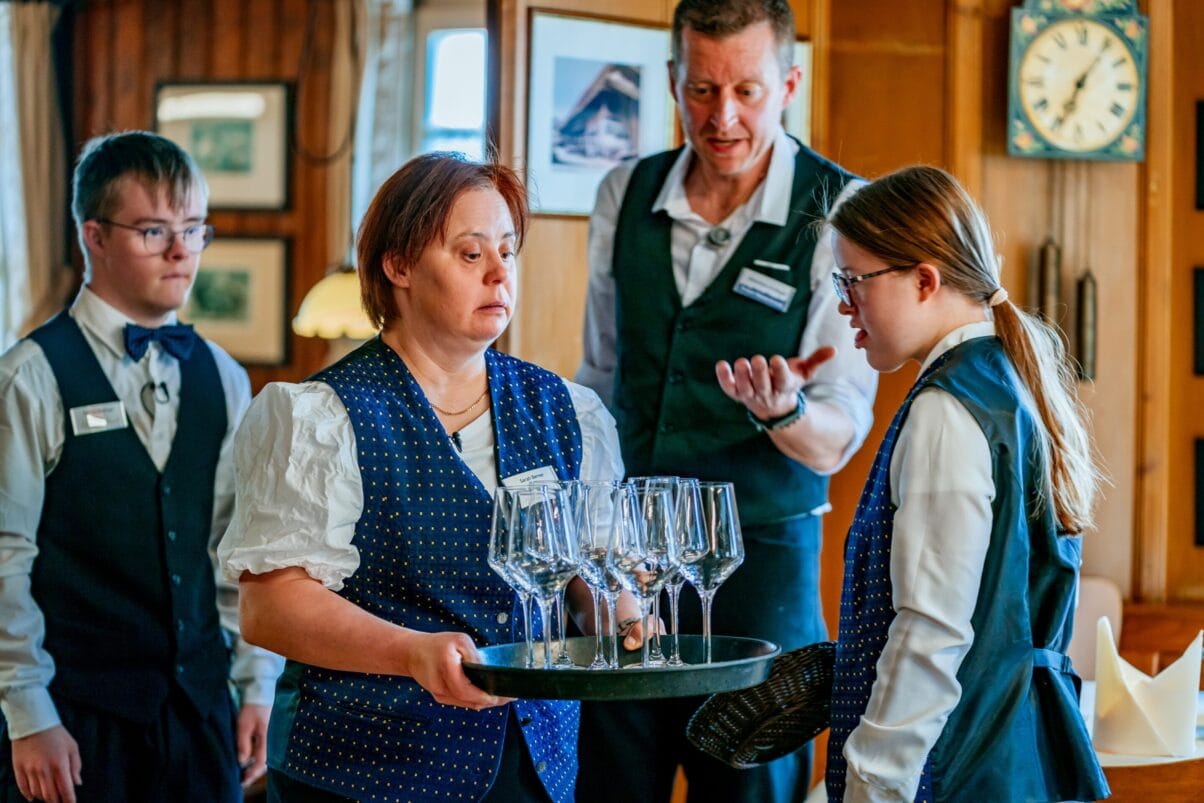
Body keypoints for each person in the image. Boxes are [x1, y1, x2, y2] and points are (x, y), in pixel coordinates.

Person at [219, 152, 633, 803]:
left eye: (507, 251)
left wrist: (622, 613)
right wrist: (411, 652)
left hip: (533, 769)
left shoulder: (570, 411)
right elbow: (270, 606)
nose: (500, 273)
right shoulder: (321, 416)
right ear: (400, 265)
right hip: (363, 772)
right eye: (471, 255)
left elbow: (591, 570)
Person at [575, 0, 876, 800]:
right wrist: (589, 543)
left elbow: (838, 434)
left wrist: (785, 414)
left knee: (748, 789)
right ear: (674, 81)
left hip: (761, 567)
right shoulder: (622, 195)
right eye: (702, 90)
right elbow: (598, 385)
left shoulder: (840, 211)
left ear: (790, 84)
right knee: (609, 781)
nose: (724, 116)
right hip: (626, 563)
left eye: (747, 89)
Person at [0, 131, 283, 803]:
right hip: (74, 720)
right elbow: (5, 556)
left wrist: (256, 685)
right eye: (154, 231)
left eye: (194, 229)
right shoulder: (30, 377)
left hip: (201, 714)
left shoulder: (225, 376)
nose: (182, 251)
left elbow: (235, 550)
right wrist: (28, 711)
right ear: (93, 236)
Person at [824, 165, 1110, 802]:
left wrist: (872, 780)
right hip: (1006, 747)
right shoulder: (1005, 379)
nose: (844, 304)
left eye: (853, 281)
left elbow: (931, 630)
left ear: (924, 279)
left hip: (953, 763)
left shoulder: (946, 409)